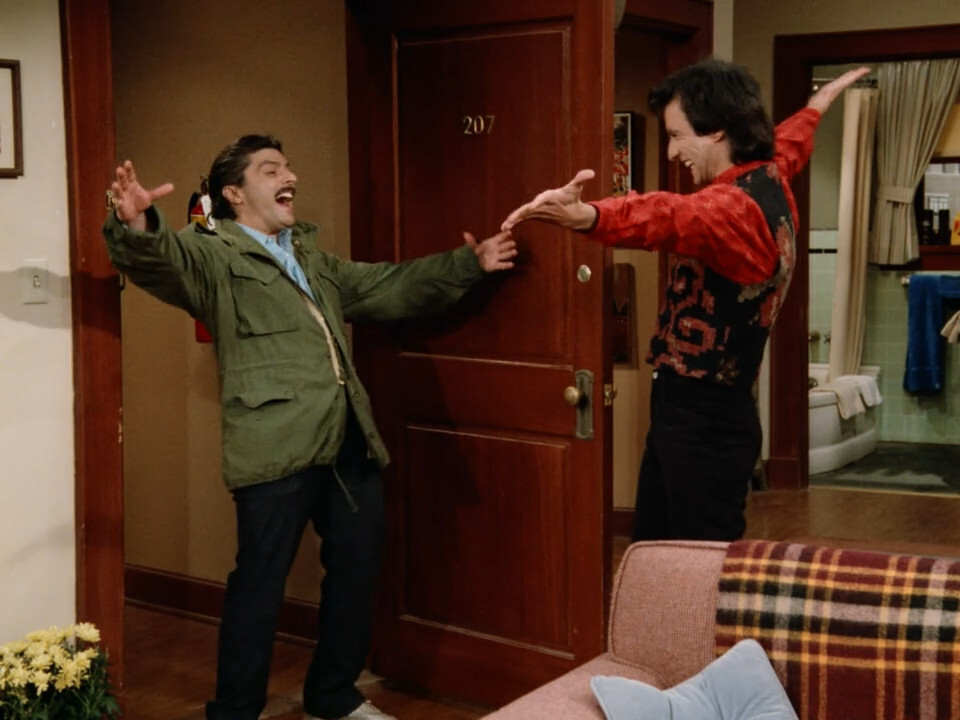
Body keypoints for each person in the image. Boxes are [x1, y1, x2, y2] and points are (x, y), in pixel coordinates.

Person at [103, 135, 517, 720]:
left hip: (346, 438)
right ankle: (235, 712)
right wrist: (136, 222)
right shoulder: (212, 253)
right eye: (271, 170)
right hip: (273, 446)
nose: (288, 176)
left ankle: (333, 695)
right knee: (259, 584)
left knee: (356, 570)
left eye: (288, 167)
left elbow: (385, 286)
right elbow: (161, 261)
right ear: (234, 193)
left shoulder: (311, 258)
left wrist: (468, 263)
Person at [502, 59, 869, 543]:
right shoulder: (769, 174)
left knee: (696, 563)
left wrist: (586, 215)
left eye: (677, 135)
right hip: (696, 411)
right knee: (656, 549)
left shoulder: (732, 212)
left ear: (717, 129)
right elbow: (791, 140)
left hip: (705, 420)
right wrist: (818, 104)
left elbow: (668, 216)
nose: (672, 152)